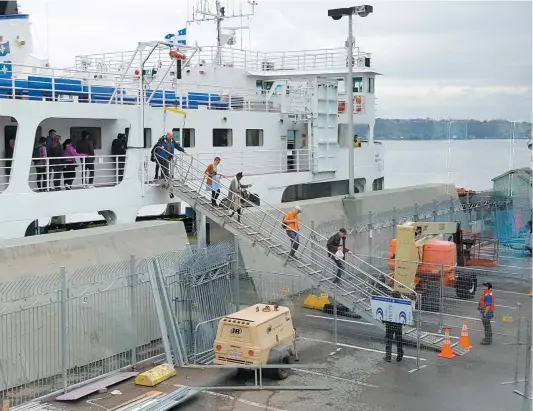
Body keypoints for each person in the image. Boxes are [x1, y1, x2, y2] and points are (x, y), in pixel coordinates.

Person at [383, 291, 404, 362]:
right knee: (399, 340)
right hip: (398, 324)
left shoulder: (389, 303)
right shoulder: (402, 304)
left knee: (389, 340)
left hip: (389, 324)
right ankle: (400, 355)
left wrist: (384, 320)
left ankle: (388, 356)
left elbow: (385, 312)